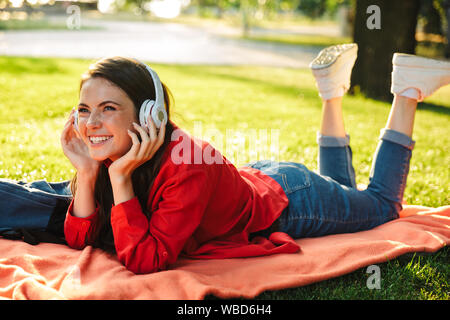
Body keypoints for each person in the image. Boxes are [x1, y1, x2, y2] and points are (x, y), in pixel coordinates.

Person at [1, 45, 449, 274]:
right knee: (353, 195)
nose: (92, 123)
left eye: (109, 108)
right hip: (261, 179)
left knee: (381, 207)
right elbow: (81, 237)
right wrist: (86, 172)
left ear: (150, 115)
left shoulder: (187, 162)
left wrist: (118, 181)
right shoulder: (107, 152)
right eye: (84, 109)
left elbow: (147, 259)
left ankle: (406, 92)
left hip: (295, 201)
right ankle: (332, 93)